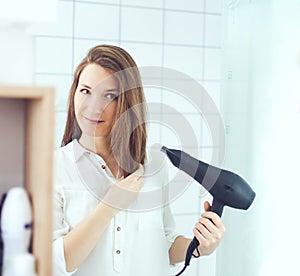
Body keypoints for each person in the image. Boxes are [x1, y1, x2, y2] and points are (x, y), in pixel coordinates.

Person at [53, 44, 226, 275]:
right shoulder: (52, 168)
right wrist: (109, 206)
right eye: (85, 91)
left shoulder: (155, 164)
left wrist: (200, 246)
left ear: (127, 102)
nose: (93, 106)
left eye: (110, 96)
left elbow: (164, 243)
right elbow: (56, 263)